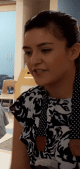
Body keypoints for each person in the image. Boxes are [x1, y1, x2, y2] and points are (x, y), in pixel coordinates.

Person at [10, 11, 80, 169]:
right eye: (28, 52)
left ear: (73, 51)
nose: (33, 60)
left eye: (45, 50)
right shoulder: (26, 104)